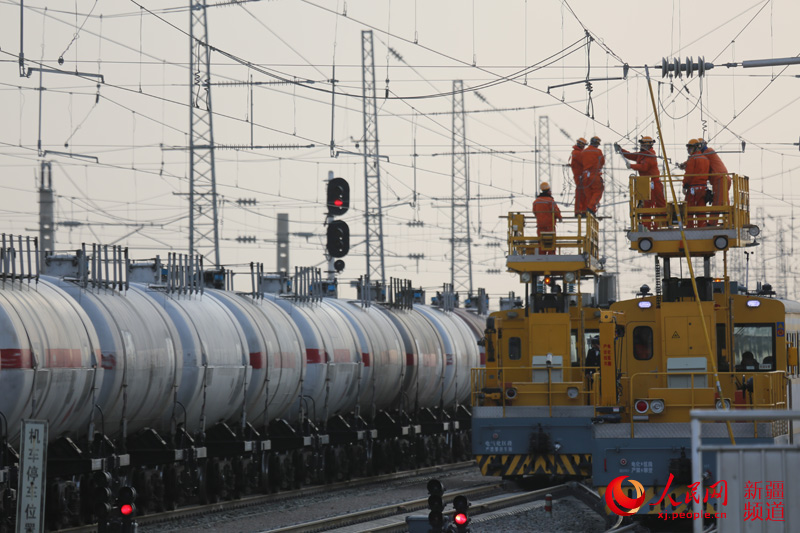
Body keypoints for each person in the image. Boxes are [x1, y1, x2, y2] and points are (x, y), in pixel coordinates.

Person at [616, 136, 665, 228]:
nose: (642, 145)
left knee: (658, 204)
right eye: (641, 144)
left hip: (654, 183)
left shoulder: (651, 155)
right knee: (647, 204)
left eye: (644, 144)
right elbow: (631, 155)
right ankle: (647, 225)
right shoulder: (642, 154)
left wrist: (632, 166)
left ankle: (661, 223)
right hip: (646, 183)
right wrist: (621, 150)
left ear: (649, 145)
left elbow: (644, 167)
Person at [698, 138, 731, 226]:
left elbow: (698, 159)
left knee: (717, 201)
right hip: (724, 178)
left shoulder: (707, 152)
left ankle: (712, 223)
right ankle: (729, 221)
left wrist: (686, 163)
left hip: (719, 178)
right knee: (725, 201)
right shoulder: (709, 152)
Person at [681, 139, 709, 228]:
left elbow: (689, 174)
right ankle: (702, 227)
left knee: (689, 209)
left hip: (693, 188)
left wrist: (685, 185)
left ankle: (690, 228)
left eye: (690, 148)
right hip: (703, 188)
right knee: (701, 210)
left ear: (695, 147)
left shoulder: (693, 159)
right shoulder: (705, 158)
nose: (688, 150)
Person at [532, 182, 563, 255]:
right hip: (549, 226)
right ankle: (551, 258)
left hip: (540, 226)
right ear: (548, 191)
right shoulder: (550, 201)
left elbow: (534, 212)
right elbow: (556, 211)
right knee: (551, 243)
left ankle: (541, 258)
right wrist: (560, 217)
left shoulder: (536, 202)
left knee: (541, 243)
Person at [581, 136, 605, 215]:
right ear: (597, 144)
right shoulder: (598, 151)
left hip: (585, 176)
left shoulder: (584, 151)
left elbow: (581, 163)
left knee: (589, 195)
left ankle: (591, 210)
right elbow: (602, 162)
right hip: (594, 175)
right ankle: (590, 208)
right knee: (598, 191)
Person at [570, 137, 587, 215]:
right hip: (579, 176)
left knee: (584, 193)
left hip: (581, 176)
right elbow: (584, 162)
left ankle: (583, 210)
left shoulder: (577, 152)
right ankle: (579, 211)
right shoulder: (577, 153)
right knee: (580, 194)